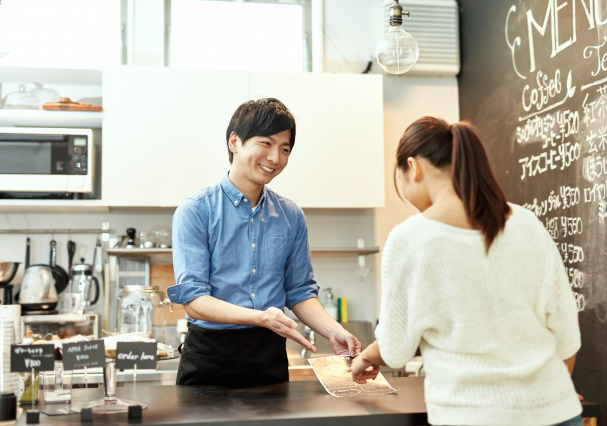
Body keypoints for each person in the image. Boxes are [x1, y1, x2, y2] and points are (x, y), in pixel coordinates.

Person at [350, 117, 582, 426]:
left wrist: (366, 357)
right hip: (557, 412)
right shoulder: (527, 223)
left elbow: (395, 349)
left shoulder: (410, 238)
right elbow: (567, 336)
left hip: (472, 416)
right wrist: (544, 399)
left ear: (413, 167)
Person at [168, 98, 361, 386]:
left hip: (268, 356)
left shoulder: (291, 215)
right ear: (235, 142)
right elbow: (195, 301)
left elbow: (299, 292)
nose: (275, 158)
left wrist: (334, 331)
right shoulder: (196, 209)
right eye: (266, 143)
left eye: (285, 149)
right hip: (210, 357)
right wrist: (261, 317)